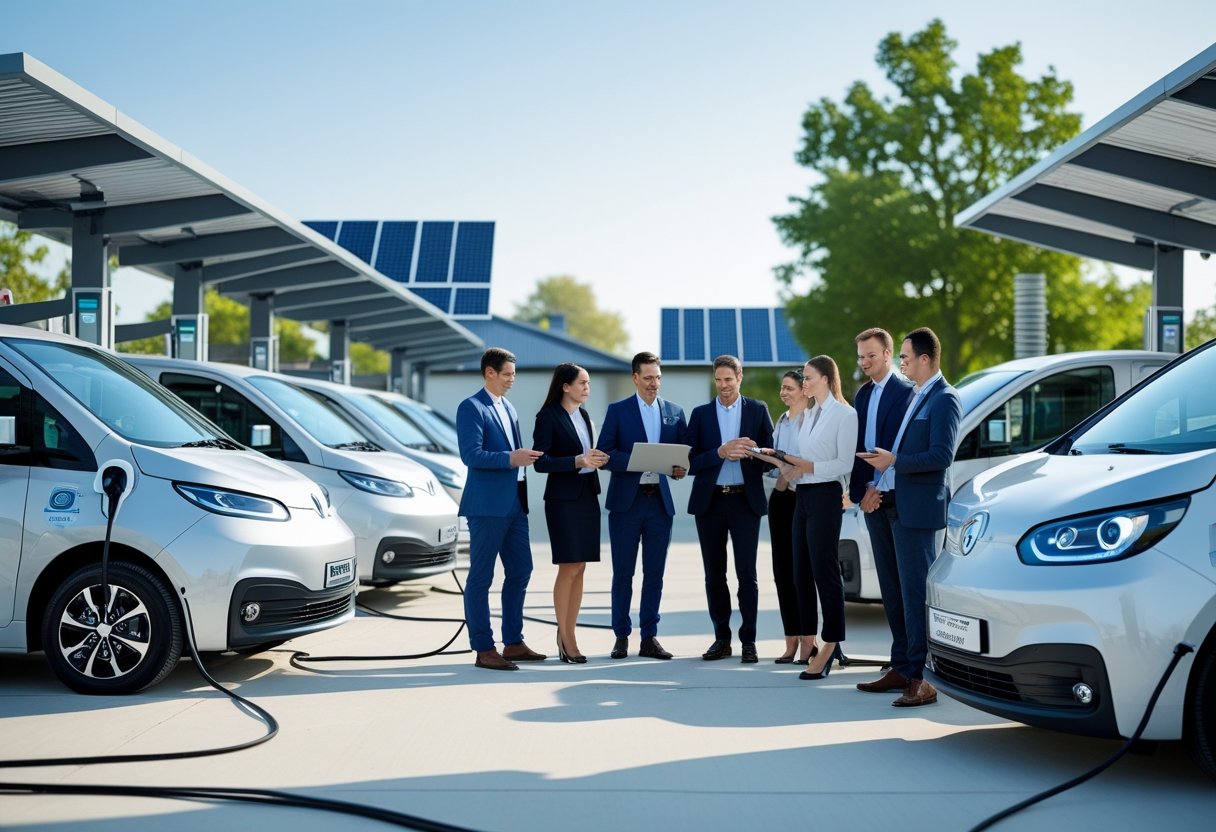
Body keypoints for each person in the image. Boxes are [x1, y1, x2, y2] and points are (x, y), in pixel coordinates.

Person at [857, 327, 962, 706]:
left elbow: (941, 456)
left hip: (918, 511)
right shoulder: (917, 397)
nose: (900, 363)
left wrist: (895, 461)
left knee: (916, 595)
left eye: (904, 357)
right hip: (894, 503)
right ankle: (902, 666)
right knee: (895, 593)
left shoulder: (945, 399)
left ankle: (924, 677)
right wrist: (878, 483)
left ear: (924, 359)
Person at [750, 356, 857, 681]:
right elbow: (803, 459)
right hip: (803, 497)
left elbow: (843, 463)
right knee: (799, 574)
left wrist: (807, 467)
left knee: (825, 573)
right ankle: (809, 642)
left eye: (808, 378)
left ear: (825, 378)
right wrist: (773, 458)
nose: (804, 383)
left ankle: (831, 642)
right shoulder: (808, 415)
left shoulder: (845, 414)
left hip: (825, 496)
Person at [456, 347, 546, 671]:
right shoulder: (471, 407)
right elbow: (472, 455)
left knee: (521, 570)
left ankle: (514, 642)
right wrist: (512, 458)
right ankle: (483, 648)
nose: (512, 380)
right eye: (507, 374)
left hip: (514, 505)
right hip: (486, 507)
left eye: (513, 374)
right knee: (481, 577)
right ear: (489, 373)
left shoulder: (508, 407)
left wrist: (525, 459)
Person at [597, 351, 687, 660]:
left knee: (655, 574)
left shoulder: (675, 412)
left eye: (658, 377)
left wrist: (679, 468)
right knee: (623, 573)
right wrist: (637, 461)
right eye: (648, 378)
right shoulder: (618, 411)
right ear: (635, 378)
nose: (654, 383)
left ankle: (649, 638)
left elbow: (683, 458)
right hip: (626, 504)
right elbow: (605, 453)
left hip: (659, 504)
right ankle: (621, 637)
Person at [686, 355, 774, 664]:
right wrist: (720, 452)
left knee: (746, 575)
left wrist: (752, 454)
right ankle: (721, 638)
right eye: (718, 380)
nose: (723, 386)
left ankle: (748, 640)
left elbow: (772, 456)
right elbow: (690, 463)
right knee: (714, 575)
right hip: (710, 503)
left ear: (740, 378)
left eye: (729, 379)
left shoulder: (758, 410)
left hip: (744, 502)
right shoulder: (699, 415)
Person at [848, 328, 914, 693]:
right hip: (872, 502)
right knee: (889, 589)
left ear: (888, 354)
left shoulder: (907, 393)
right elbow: (860, 449)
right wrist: (862, 493)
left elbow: (900, 447)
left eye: (870, 356)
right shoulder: (862, 394)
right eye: (860, 357)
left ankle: (915, 668)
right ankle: (899, 664)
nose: (864, 363)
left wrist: (879, 489)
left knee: (908, 589)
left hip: (899, 501)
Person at [533, 363, 609, 664]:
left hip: (587, 496)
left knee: (580, 568)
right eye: (582, 383)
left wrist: (596, 459)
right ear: (565, 386)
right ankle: (566, 639)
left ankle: (569, 632)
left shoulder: (585, 415)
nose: (586, 388)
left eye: (588, 383)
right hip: (563, 500)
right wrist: (578, 460)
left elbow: (586, 455)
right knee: (568, 567)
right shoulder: (548, 416)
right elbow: (541, 462)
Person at [767, 369, 814, 664]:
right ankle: (790, 641)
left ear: (804, 390)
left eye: (789, 388)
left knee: (803, 573)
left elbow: (808, 464)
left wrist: (785, 474)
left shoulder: (813, 421)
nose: (784, 393)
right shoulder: (781, 422)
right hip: (780, 499)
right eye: (782, 388)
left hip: (804, 498)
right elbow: (777, 464)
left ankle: (809, 640)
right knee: (782, 572)